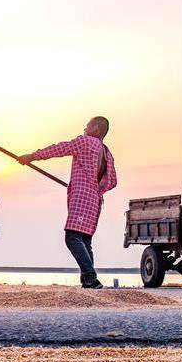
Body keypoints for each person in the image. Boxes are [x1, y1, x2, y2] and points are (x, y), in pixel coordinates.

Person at [18, 117, 117, 289]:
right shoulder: (107, 152)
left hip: (82, 198)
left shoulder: (85, 141)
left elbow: (59, 149)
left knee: (72, 238)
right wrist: (95, 187)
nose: (85, 128)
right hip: (95, 200)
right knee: (84, 241)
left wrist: (32, 157)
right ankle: (88, 282)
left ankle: (91, 279)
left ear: (97, 130)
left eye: (88, 125)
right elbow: (112, 181)